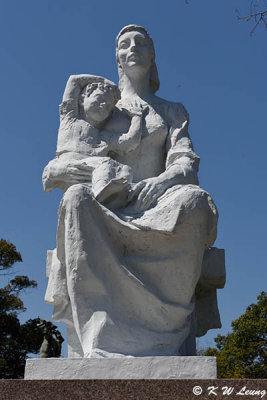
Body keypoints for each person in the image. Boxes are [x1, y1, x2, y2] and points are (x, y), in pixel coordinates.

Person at [43, 25, 218, 358]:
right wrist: (67, 169)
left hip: (156, 204)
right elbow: (63, 158)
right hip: (107, 206)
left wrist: (162, 182)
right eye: (125, 44)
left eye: (142, 43)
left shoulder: (171, 110)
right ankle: (100, 337)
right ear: (117, 58)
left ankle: (163, 330)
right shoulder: (101, 105)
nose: (133, 47)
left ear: (153, 56)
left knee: (194, 200)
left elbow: (185, 163)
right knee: (76, 198)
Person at [44, 75, 147, 204]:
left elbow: (130, 142)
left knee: (125, 171)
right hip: (68, 165)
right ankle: (102, 196)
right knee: (107, 164)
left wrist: (136, 118)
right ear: (82, 99)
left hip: (88, 173)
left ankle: (107, 200)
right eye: (99, 99)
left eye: (109, 105)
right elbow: (73, 80)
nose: (103, 105)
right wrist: (103, 81)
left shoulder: (104, 137)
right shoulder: (70, 118)